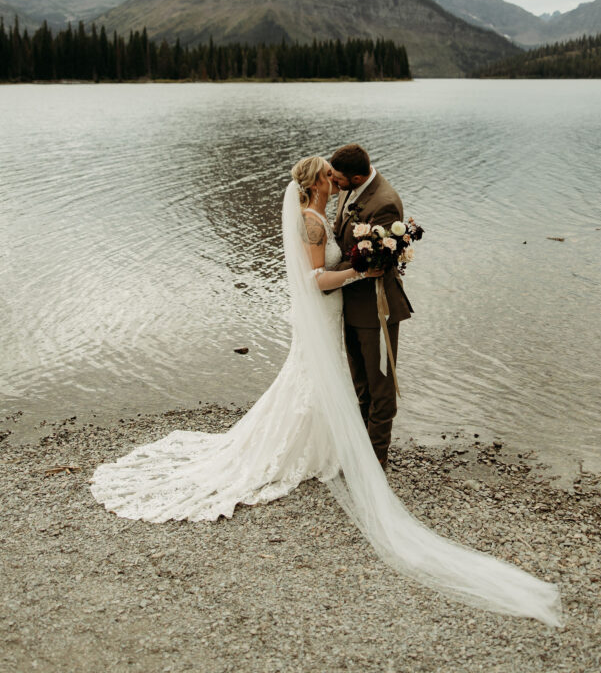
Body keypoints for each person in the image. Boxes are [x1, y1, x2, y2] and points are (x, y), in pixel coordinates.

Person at [90, 156, 562, 626]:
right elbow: (317, 280)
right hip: (331, 309)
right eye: (329, 177)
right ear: (319, 182)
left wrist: (379, 259)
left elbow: (337, 259)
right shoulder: (316, 221)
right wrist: (363, 271)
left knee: (330, 383)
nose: (335, 182)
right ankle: (336, 453)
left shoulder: (330, 211)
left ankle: (333, 447)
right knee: (323, 383)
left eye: (339, 177)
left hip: (338, 316)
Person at [328, 144, 412, 469]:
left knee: (380, 383)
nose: (335, 186)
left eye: (339, 181)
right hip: (348, 302)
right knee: (359, 381)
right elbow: (343, 239)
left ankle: (377, 456)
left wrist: (319, 277)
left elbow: (372, 263)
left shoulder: (385, 204)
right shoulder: (350, 189)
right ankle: (359, 445)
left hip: (376, 308)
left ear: (358, 176)